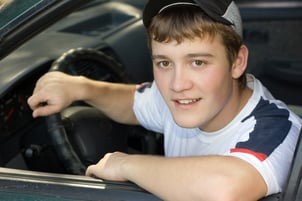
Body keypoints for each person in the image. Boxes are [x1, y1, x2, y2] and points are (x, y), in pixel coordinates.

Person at [28, 0, 302, 200]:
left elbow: (225, 189)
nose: (177, 84)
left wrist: (124, 164)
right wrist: (80, 87)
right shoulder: (184, 98)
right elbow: (133, 104)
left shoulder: (278, 130)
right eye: (164, 63)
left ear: (237, 61)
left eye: (198, 62)